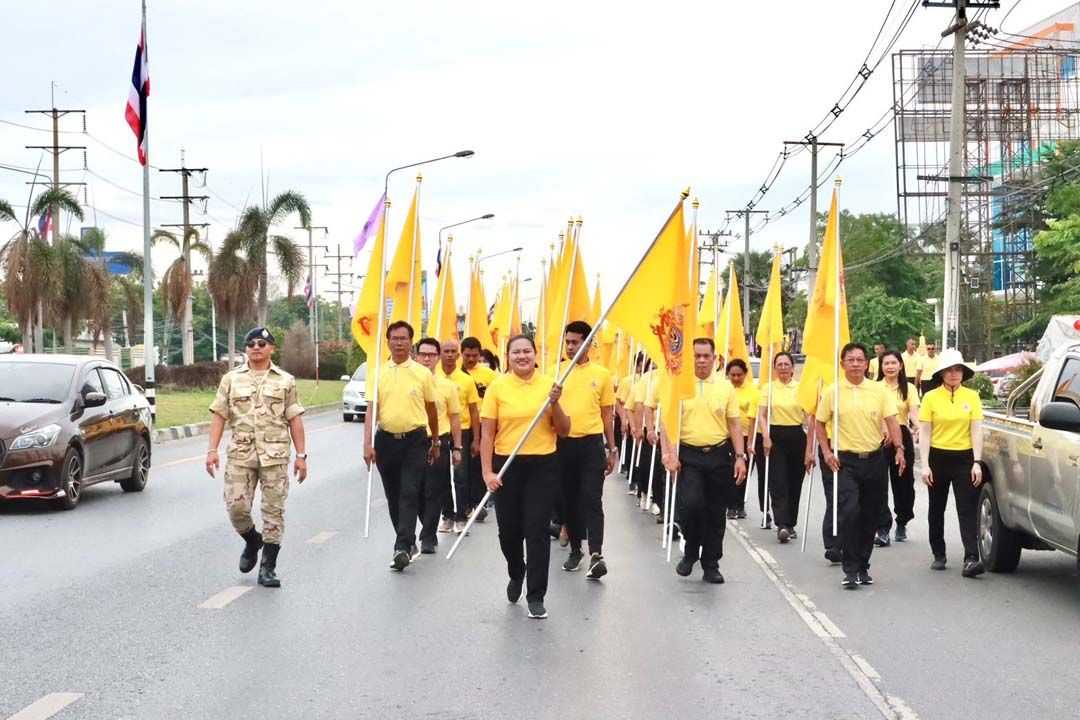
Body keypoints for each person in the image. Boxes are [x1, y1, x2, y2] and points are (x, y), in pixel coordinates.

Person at [206, 327, 307, 588]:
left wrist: (301, 456)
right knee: (236, 508)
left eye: (262, 343)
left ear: (272, 348)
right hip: (241, 454)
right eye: (250, 343)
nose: (256, 347)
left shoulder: (285, 381)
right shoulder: (231, 379)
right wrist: (212, 450)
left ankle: (268, 568)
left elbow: (294, 418)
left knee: (274, 511)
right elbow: (219, 414)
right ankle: (252, 540)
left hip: (275, 455)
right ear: (245, 349)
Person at [481, 334, 571, 619]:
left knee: (537, 531)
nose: (522, 356)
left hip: (542, 465)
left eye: (527, 351)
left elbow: (565, 430)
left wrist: (554, 403)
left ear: (535, 354)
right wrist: (487, 472)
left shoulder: (550, 386)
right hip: (506, 465)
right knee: (508, 531)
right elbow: (486, 433)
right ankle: (516, 572)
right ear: (508, 356)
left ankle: (536, 595)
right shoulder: (497, 388)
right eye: (516, 352)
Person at [815, 343, 905, 589]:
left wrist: (899, 449)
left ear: (867, 364)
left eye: (859, 360)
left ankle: (863, 566)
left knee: (870, 515)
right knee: (849, 511)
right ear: (842, 363)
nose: (855, 364)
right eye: (850, 360)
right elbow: (820, 424)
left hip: (874, 460)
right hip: (845, 461)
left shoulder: (878, 391)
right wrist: (825, 451)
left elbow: (892, 421)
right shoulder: (833, 392)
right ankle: (850, 567)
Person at [658, 338, 747, 584]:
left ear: (714, 358)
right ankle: (690, 552)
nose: (701, 360)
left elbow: (734, 423)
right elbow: (667, 422)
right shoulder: (679, 386)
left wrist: (740, 457)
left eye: (706, 356)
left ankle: (711, 564)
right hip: (689, 456)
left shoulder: (724, 387)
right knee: (692, 505)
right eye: (696, 356)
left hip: (718, 454)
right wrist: (668, 453)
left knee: (715, 513)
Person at [363, 321, 440, 572]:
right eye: (394, 338)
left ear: (411, 343)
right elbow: (371, 410)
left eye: (403, 338)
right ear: (387, 342)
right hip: (385, 440)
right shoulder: (377, 373)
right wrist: (367, 444)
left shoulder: (422, 373)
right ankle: (405, 539)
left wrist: (436, 440)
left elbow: (431, 409)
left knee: (409, 491)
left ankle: (402, 547)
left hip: (416, 440)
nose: (399, 343)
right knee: (393, 495)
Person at [557, 321, 617, 579]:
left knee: (592, 499)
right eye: (567, 342)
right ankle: (575, 550)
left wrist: (611, 448)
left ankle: (596, 554)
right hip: (562, 445)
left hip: (591, 444)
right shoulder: (554, 373)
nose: (571, 347)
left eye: (576, 342)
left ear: (588, 343)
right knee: (569, 500)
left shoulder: (602, 375)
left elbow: (607, 415)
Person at [918, 348, 985, 577]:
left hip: (964, 458)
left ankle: (971, 557)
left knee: (966, 508)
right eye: (949, 370)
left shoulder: (972, 397)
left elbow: (976, 430)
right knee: (936, 507)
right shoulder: (930, 397)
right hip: (938, 457)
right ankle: (938, 553)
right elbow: (925, 432)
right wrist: (925, 465)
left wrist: (977, 461)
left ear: (963, 373)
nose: (954, 374)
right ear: (941, 374)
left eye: (958, 370)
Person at [415, 337, 463, 554]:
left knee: (433, 491)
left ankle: (427, 534)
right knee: (414, 491)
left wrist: (457, 447)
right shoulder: (411, 382)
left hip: (439, 441)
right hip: (414, 442)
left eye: (431, 355)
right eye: (423, 354)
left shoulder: (447, 386)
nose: (427, 359)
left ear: (438, 357)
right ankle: (426, 525)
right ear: (415, 356)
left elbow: (454, 418)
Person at [758, 351, 807, 543]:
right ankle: (782, 524)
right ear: (775, 367)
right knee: (778, 482)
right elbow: (762, 415)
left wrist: (812, 442)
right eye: (779, 364)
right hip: (775, 437)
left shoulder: (801, 388)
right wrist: (766, 437)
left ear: (792, 367)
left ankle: (791, 522)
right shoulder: (768, 388)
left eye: (787, 364)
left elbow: (809, 415)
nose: (783, 367)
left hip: (796, 436)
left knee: (795, 482)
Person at [875, 349, 919, 546]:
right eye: (886, 363)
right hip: (878, 437)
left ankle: (902, 521)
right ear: (880, 367)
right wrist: (885, 430)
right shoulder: (874, 388)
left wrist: (921, 429)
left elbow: (914, 414)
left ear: (901, 365)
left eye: (894, 363)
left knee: (904, 483)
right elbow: (874, 413)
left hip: (902, 435)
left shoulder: (908, 388)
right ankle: (882, 527)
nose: (890, 367)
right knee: (878, 484)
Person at [437, 338, 480, 534]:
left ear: (458, 354)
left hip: (462, 431)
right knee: (441, 475)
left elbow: (474, 412)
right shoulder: (432, 377)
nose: (450, 355)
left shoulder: (467, 380)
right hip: (439, 430)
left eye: (453, 351)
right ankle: (447, 515)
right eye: (446, 351)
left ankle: (462, 516)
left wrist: (476, 440)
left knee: (461, 475)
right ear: (440, 353)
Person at [461, 336, 498, 522]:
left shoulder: (489, 376)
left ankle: (478, 503)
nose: (470, 359)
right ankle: (464, 504)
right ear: (462, 354)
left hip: (484, 424)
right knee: (462, 468)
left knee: (478, 465)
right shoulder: (456, 373)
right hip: (462, 426)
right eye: (467, 355)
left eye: (474, 355)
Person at [725, 358, 759, 520]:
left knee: (744, 471)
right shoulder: (724, 389)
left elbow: (754, 417)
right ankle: (730, 505)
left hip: (746, 437)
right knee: (729, 470)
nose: (736, 378)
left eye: (739, 375)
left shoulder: (753, 391)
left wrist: (751, 441)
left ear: (745, 374)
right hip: (726, 437)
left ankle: (740, 504)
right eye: (733, 375)